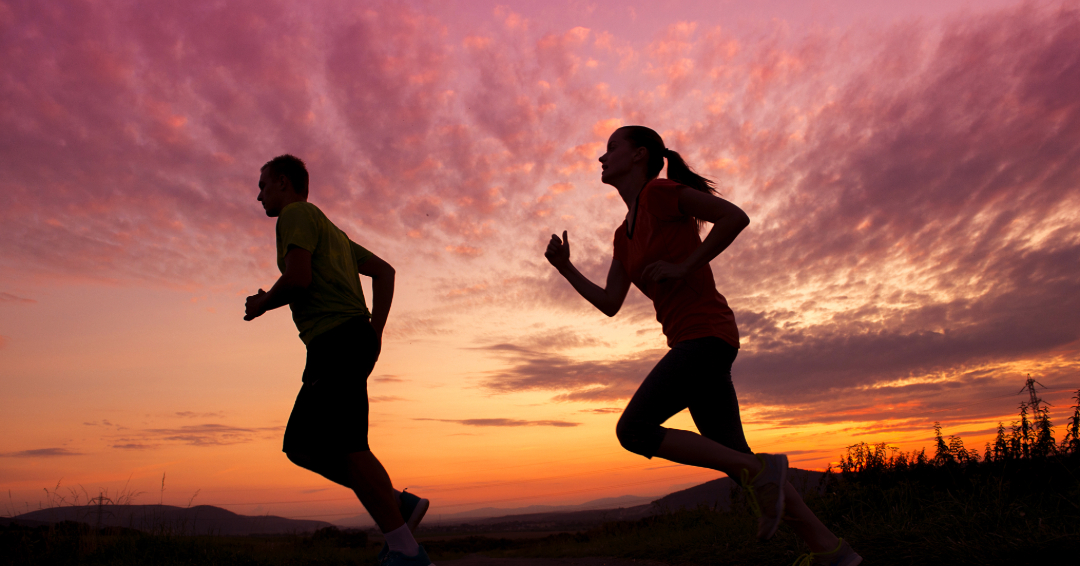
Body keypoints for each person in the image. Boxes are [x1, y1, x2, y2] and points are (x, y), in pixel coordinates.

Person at [544, 127, 861, 566]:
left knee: (633, 431)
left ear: (639, 155)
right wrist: (565, 268)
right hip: (694, 340)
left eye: (611, 148)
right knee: (738, 461)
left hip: (706, 335)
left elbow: (734, 216)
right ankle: (832, 551)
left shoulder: (660, 193)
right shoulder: (624, 234)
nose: (601, 157)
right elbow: (610, 303)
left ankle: (761, 472)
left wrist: (684, 265)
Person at [245, 155, 434, 566]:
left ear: (283, 181)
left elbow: (298, 278)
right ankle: (398, 509)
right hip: (349, 340)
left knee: (329, 445)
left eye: (262, 186)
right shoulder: (330, 232)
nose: (258, 195)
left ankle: (405, 549)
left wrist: (262, 303)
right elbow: (385, 271)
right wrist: (376, 332)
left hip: (336, 340)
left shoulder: (295, 214)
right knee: (312, 445)